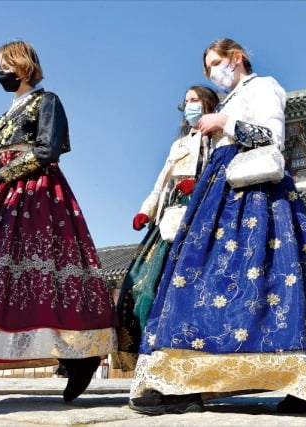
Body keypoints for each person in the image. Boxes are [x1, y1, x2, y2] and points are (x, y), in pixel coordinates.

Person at [128, 38, 306, 416]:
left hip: (254, 196)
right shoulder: (228, 99)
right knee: (204, 280)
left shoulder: (264, 86)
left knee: (272, 278)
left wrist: (225, 123)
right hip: (218, 194)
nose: (214, 73)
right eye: (209, 69)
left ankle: (296, 378)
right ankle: (189, 380)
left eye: (217, 63)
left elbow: (273, 138)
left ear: (236, 58)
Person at [0, 41, 117, 402]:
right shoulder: (5, 114)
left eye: (2, 64)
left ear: (20, 64)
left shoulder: (47, 100)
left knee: (40, 276)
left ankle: (79, 358)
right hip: (4, 202)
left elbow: (48, 151)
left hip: (36, 197)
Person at [115, 85, 219, 371]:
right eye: (186, 101)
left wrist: (201, 187)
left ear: (209, 104)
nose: (190, 106)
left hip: (204, 213)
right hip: (170, 215)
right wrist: (145, 210)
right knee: (143, 283)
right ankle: (150, 353)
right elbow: (162, 182)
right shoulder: (180, 144)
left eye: (195, 100)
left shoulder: (220, 139)